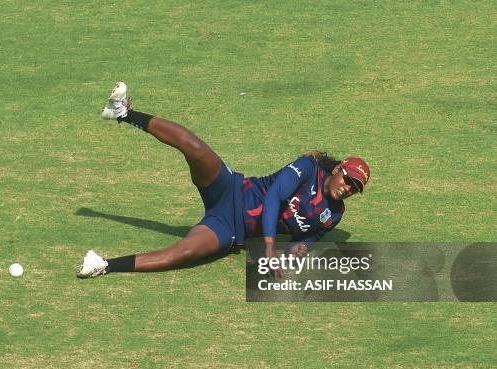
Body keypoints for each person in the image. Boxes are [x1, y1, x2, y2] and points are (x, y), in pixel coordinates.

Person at [77, 82, 370, 278]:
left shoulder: (333, 216)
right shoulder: (307, 168)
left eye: (355, 189)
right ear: (338, 169)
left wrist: (294, 254)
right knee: (194, 146)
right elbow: (273, 198)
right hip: (232, 189)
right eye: (349, 180)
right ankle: (124, 113)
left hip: (230, 229)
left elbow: (305, 242)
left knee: (184, 253)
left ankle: (103, 265)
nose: (348, 189)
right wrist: (268, 247)